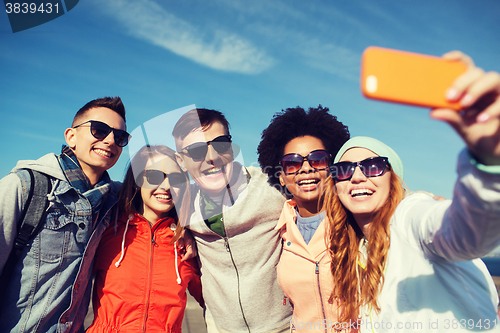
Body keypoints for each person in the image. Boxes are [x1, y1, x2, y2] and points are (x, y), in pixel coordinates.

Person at [324, 51, 500, 332]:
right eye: (343, 170)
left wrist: (489, 165)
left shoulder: (410, 217)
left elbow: (469, 233)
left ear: (393, 178)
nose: (356, 176)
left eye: (372, 166)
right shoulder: (356, 250)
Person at [0, 97, 129, 332]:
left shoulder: (114, 201)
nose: (111, 141)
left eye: (120, 137)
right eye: (99, 130)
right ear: (71, 136)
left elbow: (163, 197)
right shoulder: (24, 187)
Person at [172, 108, 292, 333]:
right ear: (180, 160)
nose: (211, 157)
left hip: (286, 326)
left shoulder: (272, 184)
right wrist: (179, 229)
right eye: (196, 151)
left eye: (220, 143)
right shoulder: (182, 204)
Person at [86, 145, 203, 332]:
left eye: (175, 179)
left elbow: (214, 301)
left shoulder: (188, 244)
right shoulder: (107, 228)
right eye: (155, 177)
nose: (166, 187)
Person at [257, 105, 352, 332]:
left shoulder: (355, 218)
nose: (306, 169)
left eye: (317, 159)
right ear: (281, 177)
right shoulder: (277, 228)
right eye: (292, 162)